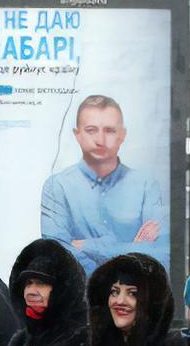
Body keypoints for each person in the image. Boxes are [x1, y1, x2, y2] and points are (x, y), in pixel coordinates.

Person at [41, 95, 167, 275]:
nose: (100, 139)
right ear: (77, 135)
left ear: (122, 135)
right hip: (81, 300)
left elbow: (161, 254)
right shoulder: (57, 187)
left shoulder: (146, 185)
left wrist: (87, 245)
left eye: (109, 130)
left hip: (136, 300)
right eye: (91, 130)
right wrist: (131, 250)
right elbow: (57, 254)